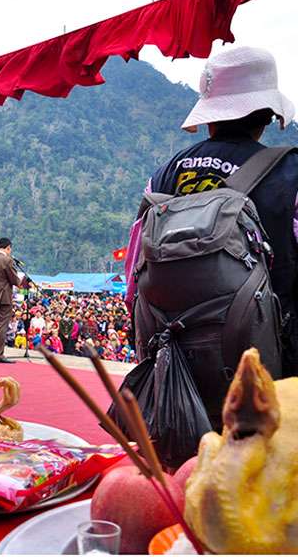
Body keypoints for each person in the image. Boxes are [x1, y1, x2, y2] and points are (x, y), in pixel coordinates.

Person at [127, 46, 298, 423]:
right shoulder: (291, 173)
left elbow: (134, 276)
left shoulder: (165, 174)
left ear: (209, 117)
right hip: (271, 377)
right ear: (268, 116)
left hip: (176, 372)